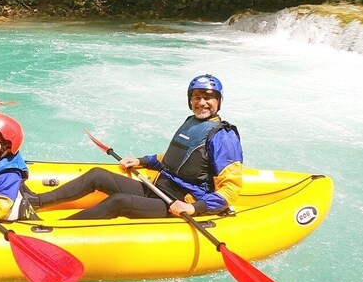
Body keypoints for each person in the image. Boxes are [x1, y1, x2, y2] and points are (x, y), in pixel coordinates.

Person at [23, 74, 243, 220]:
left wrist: (194, 208)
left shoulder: (223, 137)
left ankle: (57, 230)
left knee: (119, 202)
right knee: (97, 175)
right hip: (158, 189)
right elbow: (176, 157)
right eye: (197, 97)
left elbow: (231, 189)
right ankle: (35, 202)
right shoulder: (193, 122)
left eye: (208, 98)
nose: (202, 103)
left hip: (179, 203)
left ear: (218, 101)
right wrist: (142, 161)